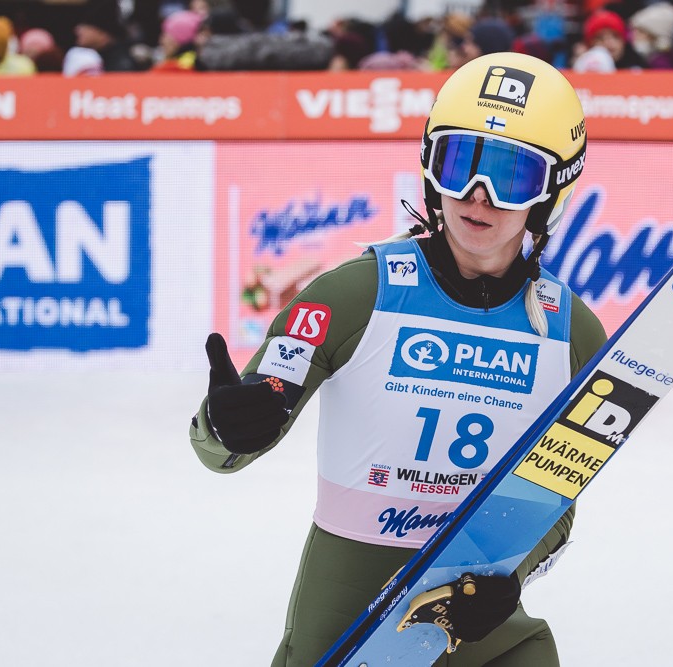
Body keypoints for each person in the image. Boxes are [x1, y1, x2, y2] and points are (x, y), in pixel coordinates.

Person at [189, 52, 607, 666]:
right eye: (459, 163)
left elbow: (558, 503)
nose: (479, 196)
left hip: (489, 640)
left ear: (552, 194)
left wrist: (507, 582)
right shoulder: (356, 294)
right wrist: (226, 426)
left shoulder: (573, 335)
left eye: (511, 176)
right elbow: (227, 447)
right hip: (347, 631)